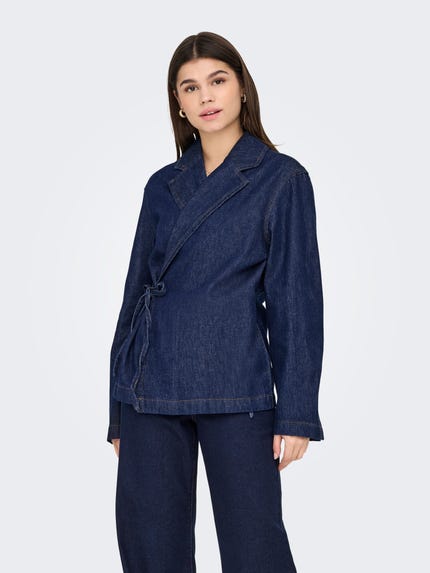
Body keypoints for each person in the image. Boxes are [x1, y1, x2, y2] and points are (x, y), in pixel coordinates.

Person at [107, 31, 325, 573]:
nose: (205, 96)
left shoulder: (281, 178)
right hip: (149, 388)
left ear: (242, 87)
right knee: (148, 546)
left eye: (217, 80)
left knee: (254, 546)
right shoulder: (162, 185)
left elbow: (296, 302)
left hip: (237, 384)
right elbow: (135, 296)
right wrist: (117, 411)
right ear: (178, 103)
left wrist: (297, 413)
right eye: (190, 87)